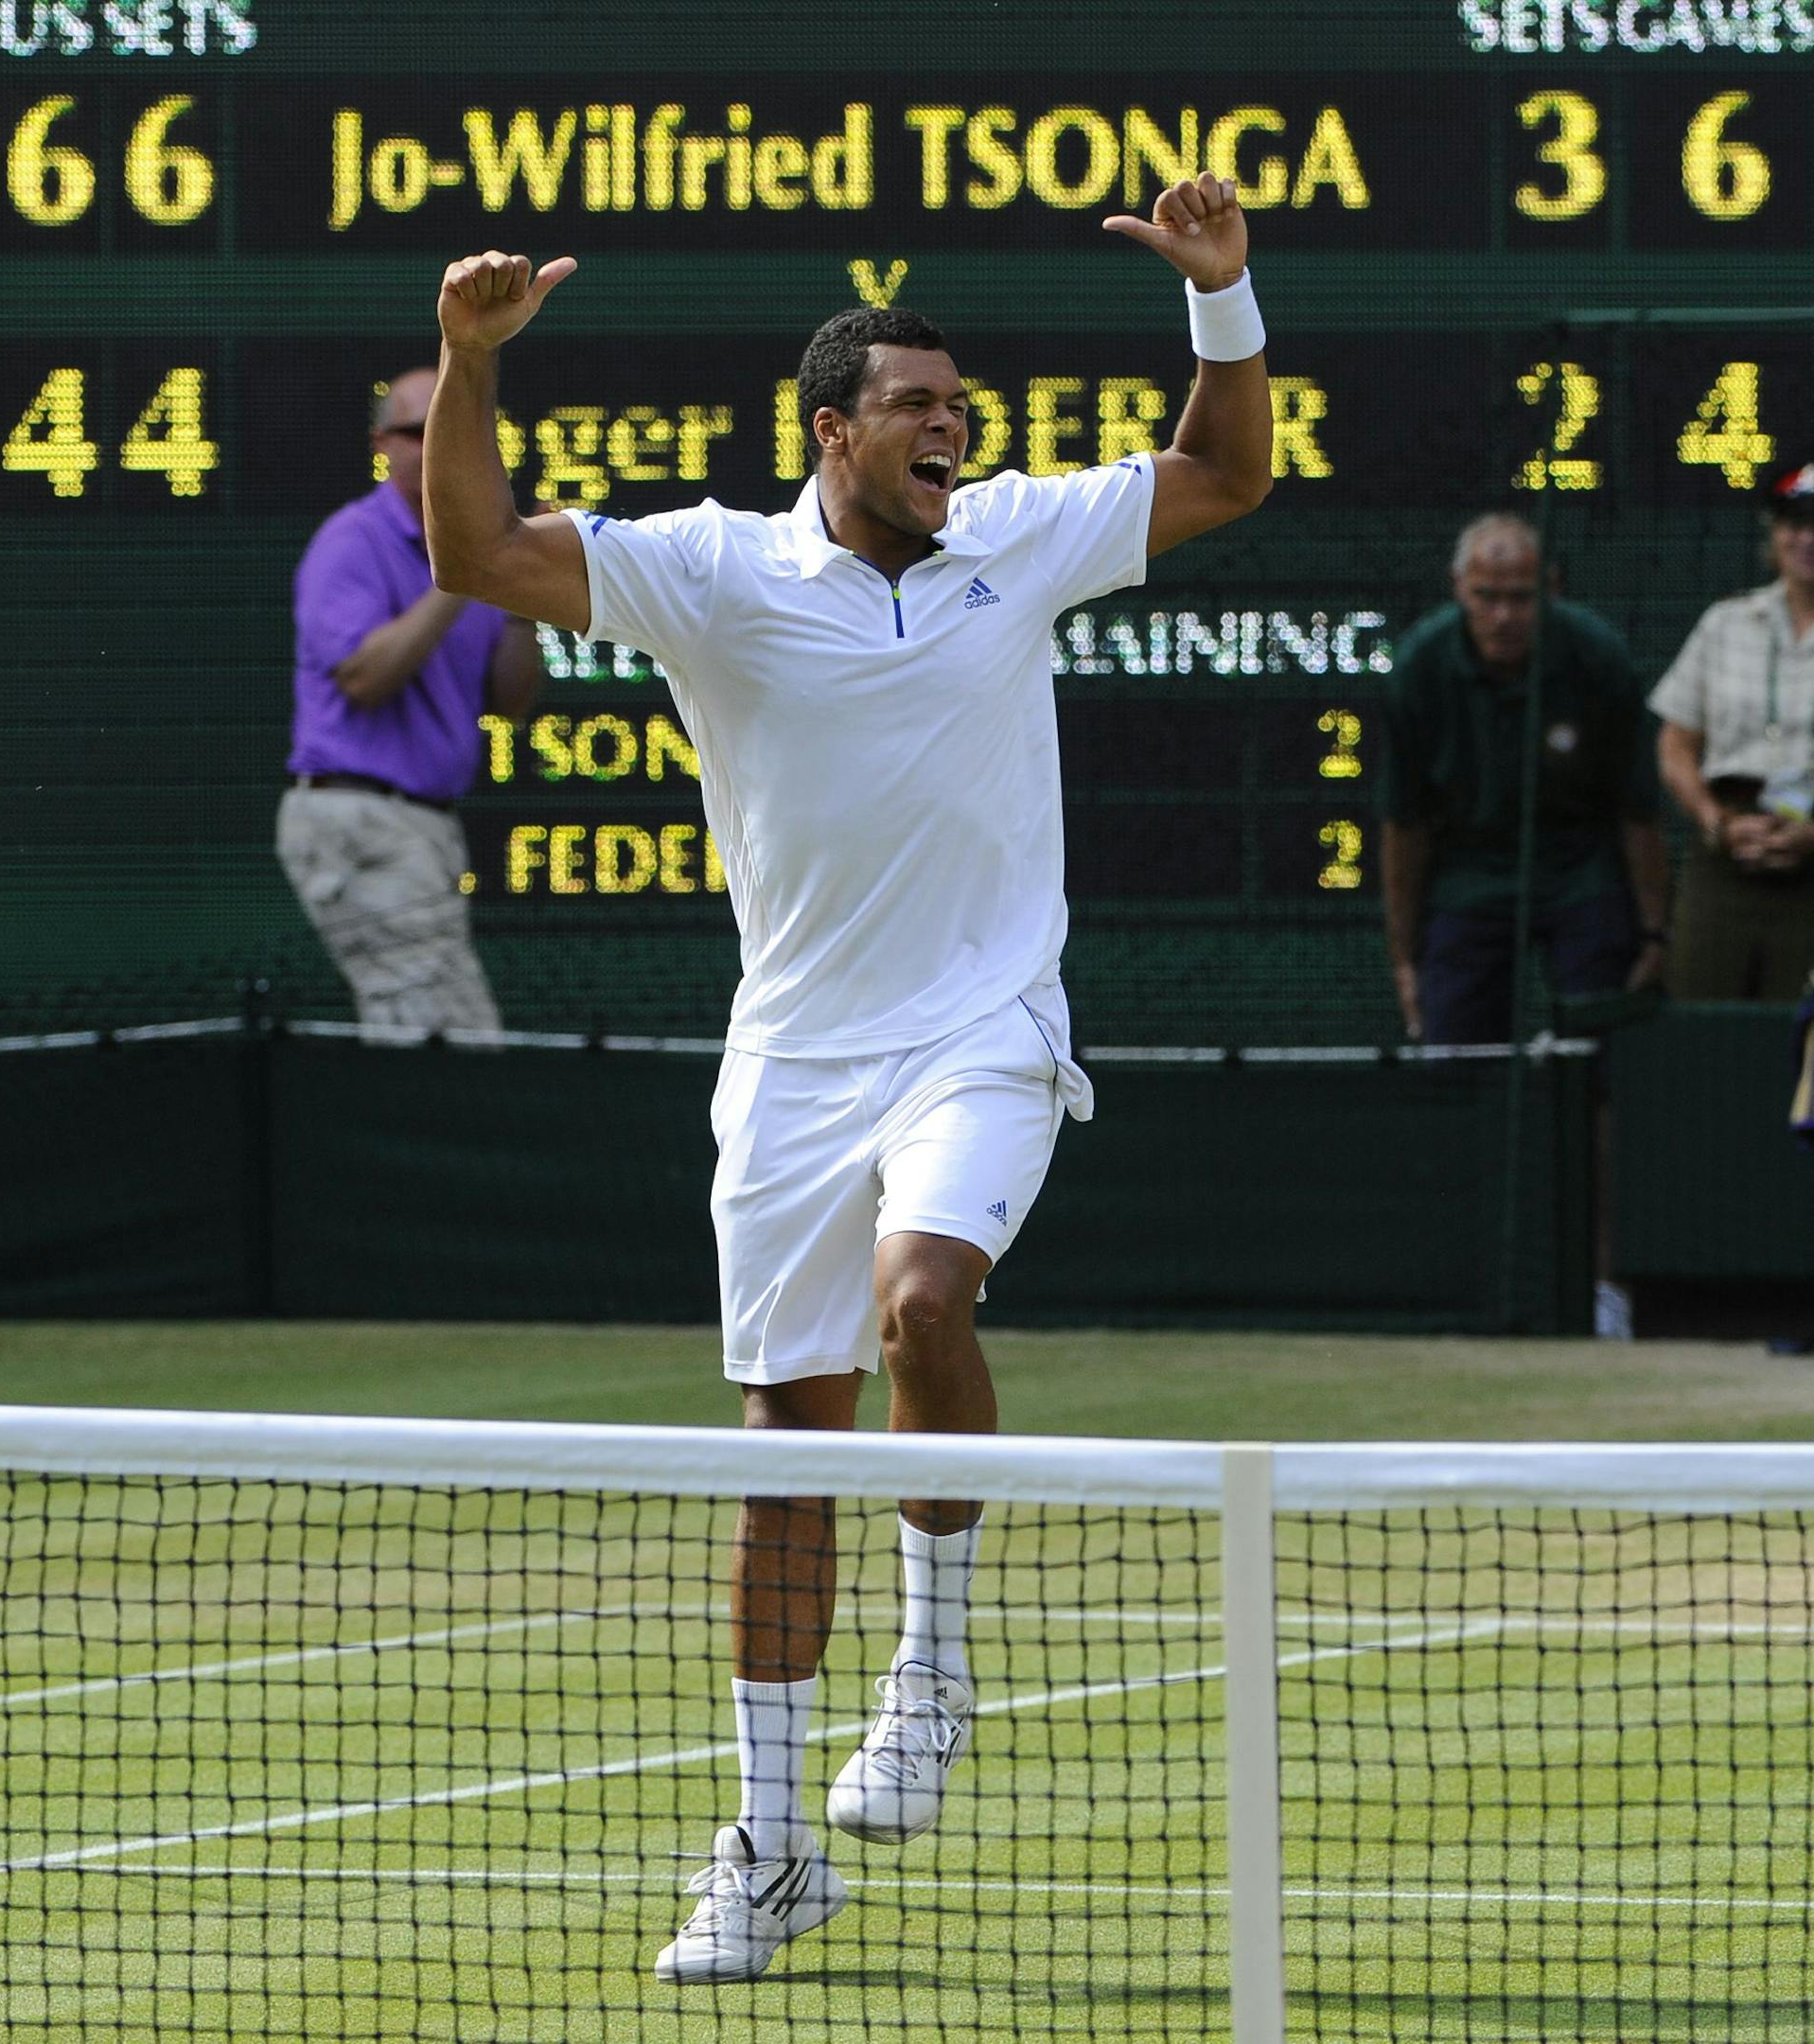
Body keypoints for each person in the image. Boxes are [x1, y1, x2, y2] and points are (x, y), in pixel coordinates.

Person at [422, 175, 1275, 1983]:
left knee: (921, 1305)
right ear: (832, 431)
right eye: (916, 406)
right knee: (785, 1462)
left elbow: (1224, 477)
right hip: (794, 1060)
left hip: (984, 1029)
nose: (951, 427)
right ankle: (769, 1844)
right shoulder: (716, 572)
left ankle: (936, 1670)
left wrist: (1222, 295)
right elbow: (480, 557)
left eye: (960, 407)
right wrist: (467, 362)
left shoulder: (1021, 538)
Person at [1374, 512, 1669, 1339]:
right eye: (1486, 598)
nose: (1503, 615)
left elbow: (1637, 810)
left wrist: (1653, 932)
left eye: (1519, 598)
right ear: (1460, 594)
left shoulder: (1597, 658)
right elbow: (1403, 828)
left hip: (1580, 872)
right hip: (1468, 878)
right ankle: (1457, 1280)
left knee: (1598, 1079)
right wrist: (1407, 957)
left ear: (1550, 592)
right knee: (1457, 1072)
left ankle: (1604, 1283)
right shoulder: (1421, 669)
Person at [279, 365, 543, 1034]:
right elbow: (365, 677)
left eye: (454, 430)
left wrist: (518, 598)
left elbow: (511, 703)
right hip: (358, 818)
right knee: (443, 1037)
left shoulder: (482, 549)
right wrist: (465, 572)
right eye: (417, 431)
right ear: (383, 445)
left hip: (422, 826)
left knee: (439, 1034)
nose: (437, 445)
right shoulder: (352, 541)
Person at [1649, 449, 1814, 998]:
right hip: (1728, 851)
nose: (1809, 540)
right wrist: (1714, 819)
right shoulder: (1726, 622)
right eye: (1794, 524)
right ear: (1774, 536)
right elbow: (1675, 741)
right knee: (1704, 1025)